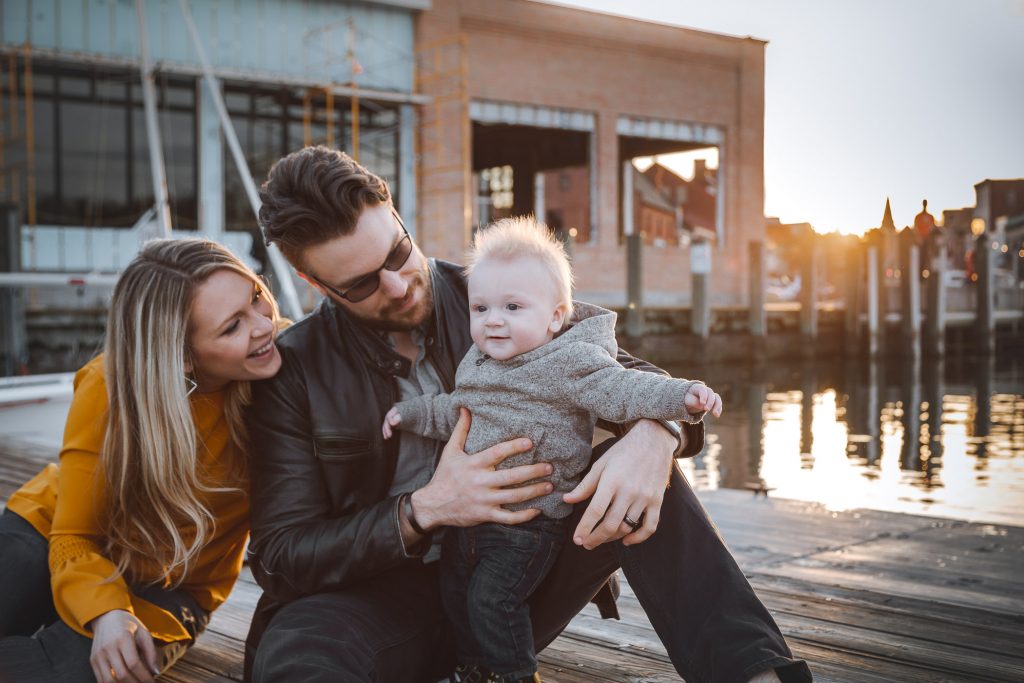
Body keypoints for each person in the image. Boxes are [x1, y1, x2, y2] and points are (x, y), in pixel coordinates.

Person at [244, 146, 812, 683]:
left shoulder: (494, 290)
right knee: (297, 651)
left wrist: (658, 435)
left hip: (513, 568)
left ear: (395, 212)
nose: (396, 285)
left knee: (635, 467)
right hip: (375, 603)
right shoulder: (294, 370)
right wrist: (423, 511)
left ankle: (757, 675)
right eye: (362, 284)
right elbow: (280, 556)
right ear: (312, 282)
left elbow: (629, 374)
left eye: (397, 252)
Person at [381, 216, 723, 681]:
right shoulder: (478, 362)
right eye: (480, 308)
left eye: (513, 307)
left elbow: (623, 390)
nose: (493, 320)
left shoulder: (570, 361)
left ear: (556, 317)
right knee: (458, 595)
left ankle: (515, 674)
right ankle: (472, 669)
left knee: (494, 600)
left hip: (528, 523)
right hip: (469, 523)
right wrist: (412, 413)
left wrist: (682, 398)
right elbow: (453, 411)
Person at [0, 238, 283, 683]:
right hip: (56, 532)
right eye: (233, 326)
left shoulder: (287, 381)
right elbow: (73, 535)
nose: (265, 325)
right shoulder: (109, 387)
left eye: (256, 297)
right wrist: (106, 609)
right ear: (185, 357)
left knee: (64, 673)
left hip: (176, 586)